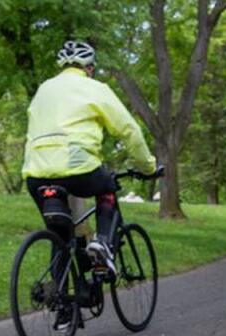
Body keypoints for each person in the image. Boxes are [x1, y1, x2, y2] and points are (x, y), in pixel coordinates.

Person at [22, 40, 156, 274]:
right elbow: (129, 130)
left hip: (35, 174)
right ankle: (102, 242)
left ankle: (61, 297)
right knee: (107, 188)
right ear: (90, 68)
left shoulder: (43, 89)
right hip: (77, 168)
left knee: (60, 236)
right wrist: (148, 166)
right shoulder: (95, 88)